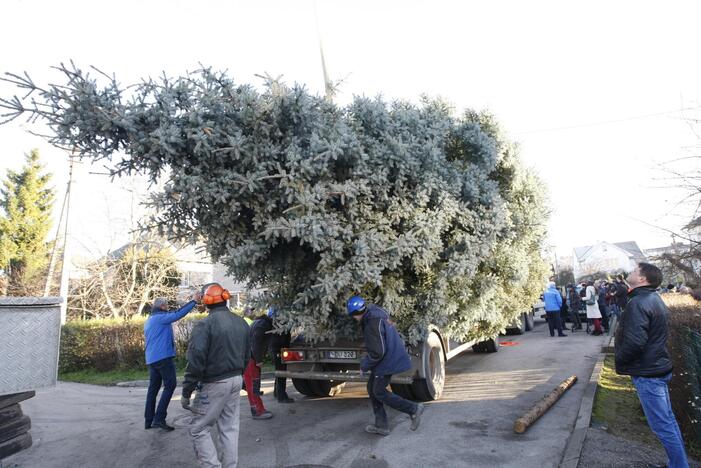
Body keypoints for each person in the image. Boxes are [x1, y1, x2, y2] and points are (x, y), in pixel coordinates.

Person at [615, 263, 689, 468]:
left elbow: (635, 342)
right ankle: (677, 463)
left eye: (634, 271)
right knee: (668, 422)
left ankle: (679, 465)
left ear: (642, 279)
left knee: (662, 426)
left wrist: (620, 361)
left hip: (649, 373)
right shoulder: (653, 298)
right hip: (656, 368)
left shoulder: (638, 302)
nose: (629, 272)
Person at [180, 283, 251, 468]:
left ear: (206, 302)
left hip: (214, 382)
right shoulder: (241, 322)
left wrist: (186, 391)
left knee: (198, 428)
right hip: (236, 379)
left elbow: (196, 361)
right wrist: (239, 374)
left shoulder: (205, 325)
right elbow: (247, 355)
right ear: (225, 299)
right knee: (229, 428)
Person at [347, 295, 425, 435]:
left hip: (387, 361)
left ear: (355, 314)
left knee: (379, 391)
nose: (354, 319)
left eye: (353, 316)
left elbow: (378, 352)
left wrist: (364, 365)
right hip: (390, 357)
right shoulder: (375, 313)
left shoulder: (371, 322)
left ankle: (413, 409)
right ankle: (381, 425)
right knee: (372, 388)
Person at [143, 295, 198, 431]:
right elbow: (178, 314)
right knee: (170, 385)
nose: (168, 308)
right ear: (162, 306)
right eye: (166, 306)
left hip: (151, 359)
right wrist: (194, 301)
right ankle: (159, 418)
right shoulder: (161, 318)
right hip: (163, 358)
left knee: (153, 389)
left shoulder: (150, 320)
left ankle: (148, 420)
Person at [243, 308, 275, 419]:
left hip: (248, 357)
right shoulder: (263, 325)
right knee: (254, 386)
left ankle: (257, 409)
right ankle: (258, 411)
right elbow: (255, 342)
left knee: (252, 386)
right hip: (251, 359)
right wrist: (258, 360)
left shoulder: (260, 323)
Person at [268, 308, 295, 404]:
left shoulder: (272, 317)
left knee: (279, 371)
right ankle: (281, 396)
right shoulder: (280, 323)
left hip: (276, 347)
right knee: (281, 371)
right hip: (279, 347)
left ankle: (277, 392)